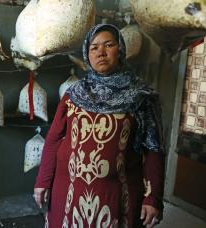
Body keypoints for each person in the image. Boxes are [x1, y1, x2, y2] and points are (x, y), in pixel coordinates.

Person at [34, 24, 165, 228]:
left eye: (108, 45)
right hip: (68, 192)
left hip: (117, 197)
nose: (100, 52)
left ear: (120, 49)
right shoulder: (73, 94)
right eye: (94, 48)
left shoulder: (141, 97)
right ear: (87, 54)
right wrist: (42, 181)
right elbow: (53, 139)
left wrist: (153, 197)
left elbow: (154, 149)